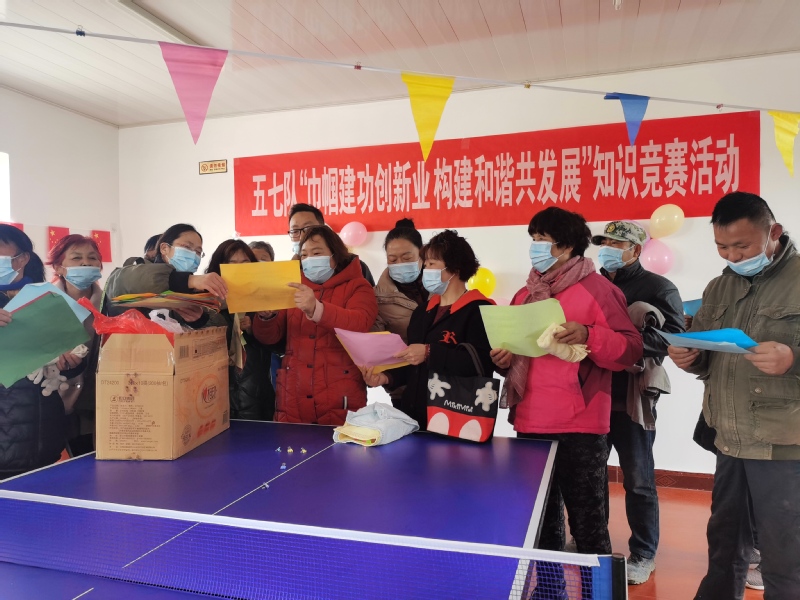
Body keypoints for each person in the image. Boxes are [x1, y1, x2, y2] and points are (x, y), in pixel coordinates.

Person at [490, 207, 642, 563]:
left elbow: (630, 350)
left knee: (588, 525)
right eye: (533, 239)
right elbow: (515, 357)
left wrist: (589, 334)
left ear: (567, 245)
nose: (535, 246)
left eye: (542, 239)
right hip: (530, 420)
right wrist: (503, 359)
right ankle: (550, 588)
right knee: (542, 524)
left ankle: (596, 588)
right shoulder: (525, 295)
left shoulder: (599, 290)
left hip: (580, 423)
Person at [668, 192, 800, 600]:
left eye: (742, 246)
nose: (732, 256)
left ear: (773, 233)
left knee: (784, 558)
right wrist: (689, 358)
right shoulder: (719, 287)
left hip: (782, 444)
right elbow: (710, 356)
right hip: (728, 438)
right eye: (722, 247)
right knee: (724, 546)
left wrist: (793, 358)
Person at [593, 221, 685, 585]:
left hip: (632, 396)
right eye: (604, 242)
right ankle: (593, 542)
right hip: (592, 394)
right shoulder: (591, 284)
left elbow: (674, 338)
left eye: (617, 243)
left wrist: (622, 345)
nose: (608, 248)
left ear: (636, 250)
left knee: (639, 480)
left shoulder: (658, 287)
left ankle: (644, 553)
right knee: (591, 476)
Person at [362, 229, 494, 430]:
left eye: (432, 264)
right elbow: (413, 364)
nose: (426, 269)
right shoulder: (423, 312)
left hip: (458, 417)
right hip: (415, 414)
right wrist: (386, 377)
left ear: (455, 268)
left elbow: (482, 363)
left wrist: (429, 352)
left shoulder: (480, 309)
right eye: (426, 264)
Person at [252, 226, 377, 425]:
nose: (309, 259)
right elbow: (271, 337)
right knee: (290, 443)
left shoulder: (358, 286)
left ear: (335, 255)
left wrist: (317, 309)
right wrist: (267, 318)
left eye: (317, 253)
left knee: (340, 444)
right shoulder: (292, 287)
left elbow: (360, 323)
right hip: (293, 395)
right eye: (304, 255)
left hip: (340, 395)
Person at [0, 224, 65, 479]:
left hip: (40, 430)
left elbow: (70, 359)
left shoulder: (46, 299)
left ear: (22, 258)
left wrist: (70, 361)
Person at [47, 234, 105, 456]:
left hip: (96, 404)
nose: (85, 263)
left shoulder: (111, 305)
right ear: (59, 267)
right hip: (52, 403)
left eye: (92, 258)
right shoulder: (42, 303)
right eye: (76, 258)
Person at [104, 224, 227, 328]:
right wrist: (187, 280)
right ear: (164, 248)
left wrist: (200, 320)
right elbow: (117, 283)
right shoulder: (134, 270)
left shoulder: (195, 290)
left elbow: (221, 328)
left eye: (198, 252)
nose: (193, 255)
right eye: (186, 247)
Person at [206, 240, 275, 421]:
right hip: (214, 395)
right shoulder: (206, 302)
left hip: (255, 393)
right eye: (232, 263)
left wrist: (256, 327)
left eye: (245, 263)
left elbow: (275, 344)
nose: (239, 269)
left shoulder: (262, 299)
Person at [288, 203, 375, 286]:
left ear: (323, 229)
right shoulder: (290, 271)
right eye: (295, 231)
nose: (302, 236)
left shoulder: (354, 266)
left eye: (308, 228)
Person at [373, 218, 428, 342]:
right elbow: (377, 342)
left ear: (422, 253)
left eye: (407, 258)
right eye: (392, 259)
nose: (399, 264)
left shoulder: (443, 285)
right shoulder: (378, 297)